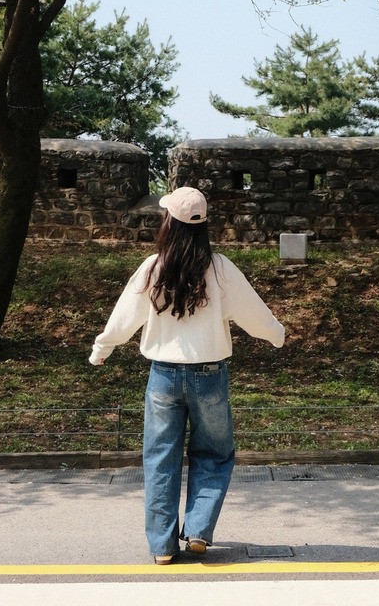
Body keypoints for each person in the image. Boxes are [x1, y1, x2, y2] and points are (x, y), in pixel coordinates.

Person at [89, 186, 285, 564]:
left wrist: (102, 350)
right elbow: (255, 314)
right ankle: (197, 531)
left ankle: (162, 547)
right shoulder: (221, 267)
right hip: (210, 375)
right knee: (213, 453)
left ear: (168, 222)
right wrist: (276, 335)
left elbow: (123, 319)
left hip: (162, 376)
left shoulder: (152, 267)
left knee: (160, 457)